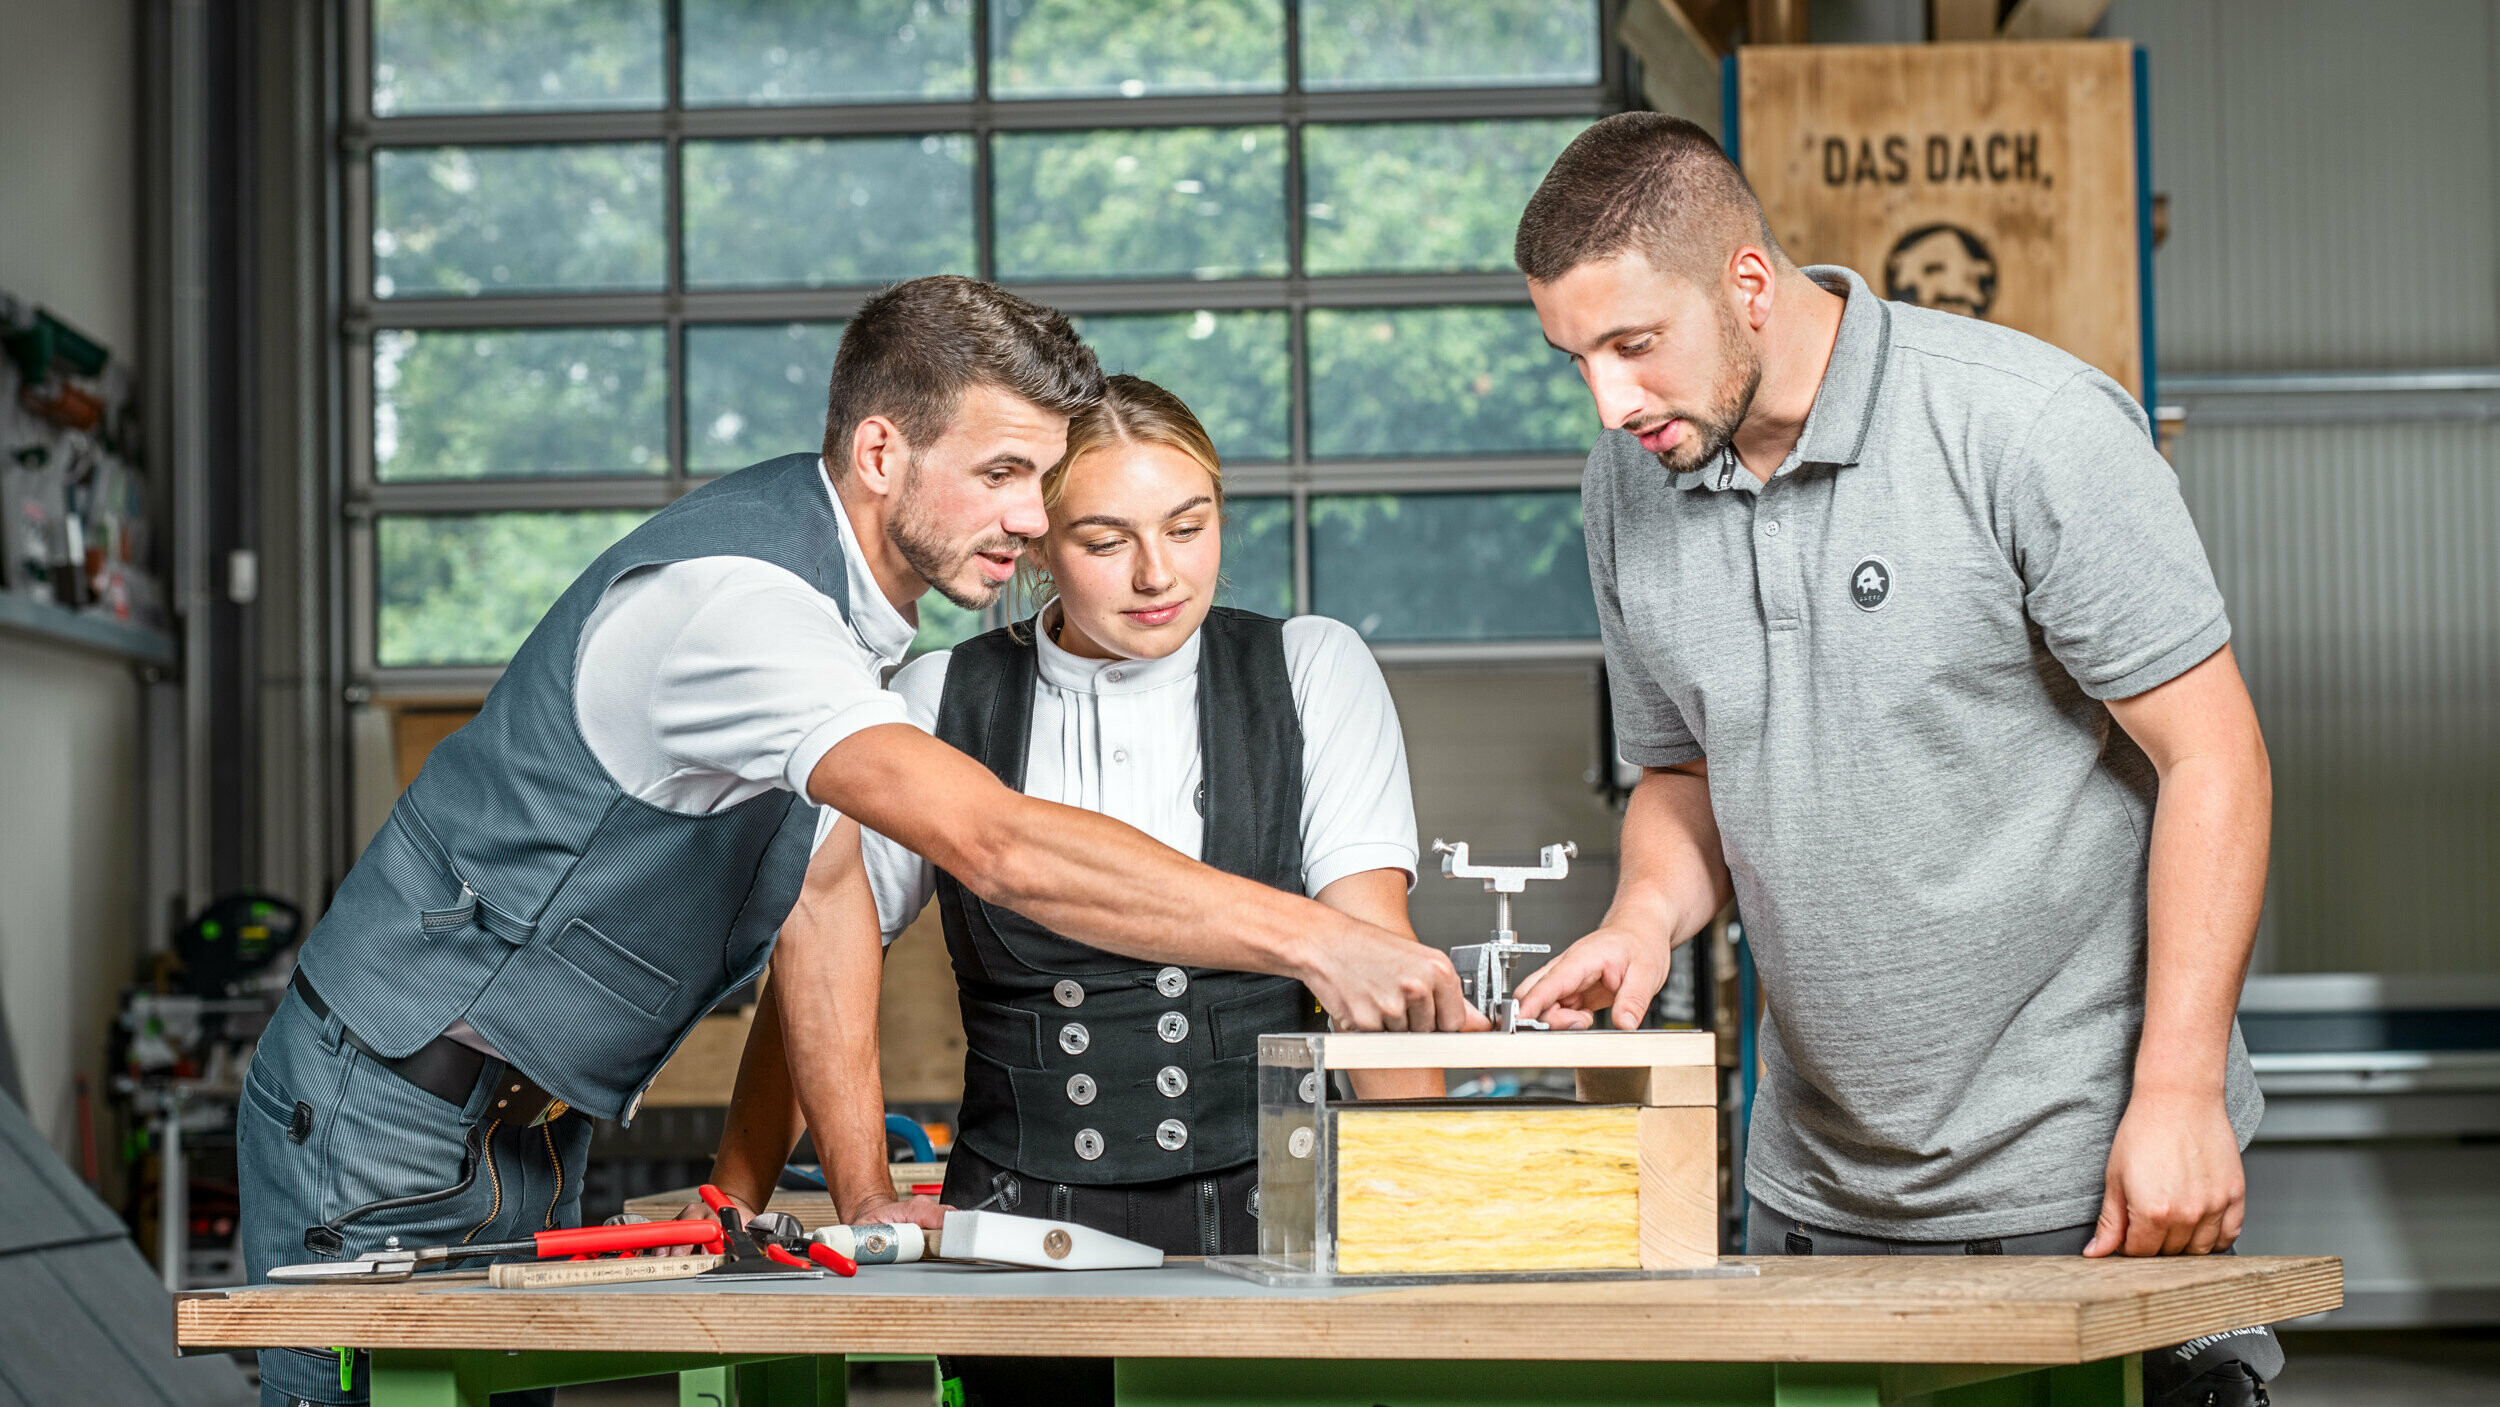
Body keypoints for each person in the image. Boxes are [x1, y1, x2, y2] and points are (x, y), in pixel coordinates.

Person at [237, 279, 1476, 1407]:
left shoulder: (859, 614)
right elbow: (995, 847)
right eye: (1005, 478)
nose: (1030, 523)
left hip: (515, 1121)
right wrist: (1318, 941)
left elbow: (819, 899)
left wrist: (835, 1195)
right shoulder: (749, 612)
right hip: (387, 1105)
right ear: (881, 450)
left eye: (1042, 485)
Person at [1509, 114, 2283, 1406]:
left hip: (2076, 1175)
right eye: (1574, 355)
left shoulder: (2025, 427)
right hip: (1808, 1191)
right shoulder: (1629, 483)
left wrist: (2182, 1090)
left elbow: (2217, 758)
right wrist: (1645, 916)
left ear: (1748, 283)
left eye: (1635, 345)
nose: (1610, 399)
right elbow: (1685, 770)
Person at [698, 374, 1443, 1407]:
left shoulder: (1310, 667)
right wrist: (777, 1191)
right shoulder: (933, 701)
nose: (1157, 575)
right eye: (1104, 541)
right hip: (1013, 1234)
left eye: (1189, 527)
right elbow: (823, 945)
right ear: (1036, 543)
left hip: (1275, 1220)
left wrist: (1442, 1229)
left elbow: (1374, 962)